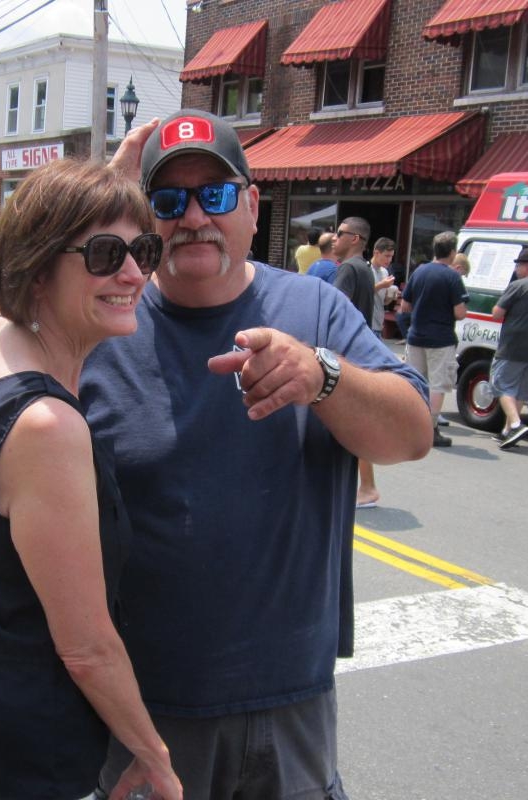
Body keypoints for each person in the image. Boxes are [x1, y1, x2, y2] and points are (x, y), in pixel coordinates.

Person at [80, 110, 432, 800]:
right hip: (143, 708)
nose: (191, 217)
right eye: (166, 200)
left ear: (250, 206)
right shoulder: (98, 320)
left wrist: (323, 376)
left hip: (290, 699)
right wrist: (100, 195)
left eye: (213, 195)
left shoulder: (315, 309)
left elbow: (411, 434)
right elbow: (6, 320)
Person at [0, 158, 181, 800]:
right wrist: (152, 754)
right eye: (104, 254)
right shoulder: (48, 428)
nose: (133, 273)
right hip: (34, 744)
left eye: (143, 249)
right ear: (39, 265)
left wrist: (107, 178)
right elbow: (87, 648)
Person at [400, 230, 467, 447]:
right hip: (441, 338)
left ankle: (409, 424)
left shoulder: (419, 272)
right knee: (438, 384)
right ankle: (430, 429)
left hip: (416, 335)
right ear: (453, 251)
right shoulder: (452, 277)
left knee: (415, 382)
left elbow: (405, 306)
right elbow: (459, 312)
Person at [355, 237, 396, 508]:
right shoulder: (365, 271)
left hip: (371, 331)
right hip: (368, 331)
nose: (388, 261)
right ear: (376, 253)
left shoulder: (358, 270)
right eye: (386, 256)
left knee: (355, 416)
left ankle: (368, 487)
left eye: (391, 257)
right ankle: (366, 487)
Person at [489, 246, 528, 449]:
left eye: (520, 265)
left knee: (502, 385)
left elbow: (497, 312)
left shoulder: (518, 286)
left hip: (513, 345)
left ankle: (515, 424)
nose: (517, 269)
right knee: (520, 391)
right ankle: (507, 433)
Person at [333, 216, 374, 327]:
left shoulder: (348, 267)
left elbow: (335, 309)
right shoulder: (364, 266)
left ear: (354, 239)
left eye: (339, 233)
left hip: (346, 341)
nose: (334, 238)